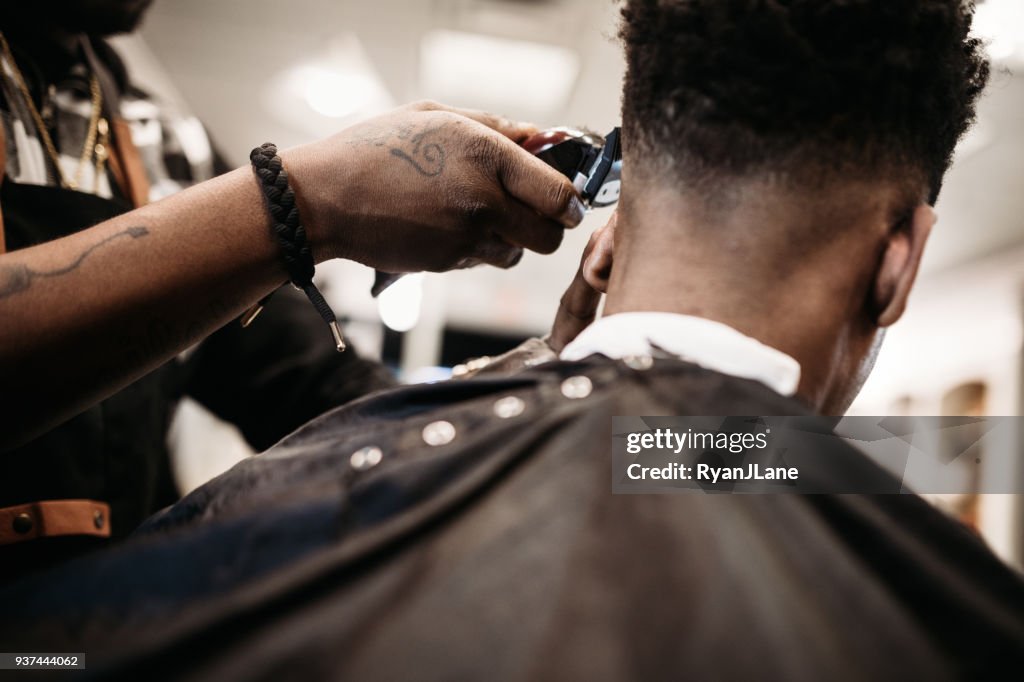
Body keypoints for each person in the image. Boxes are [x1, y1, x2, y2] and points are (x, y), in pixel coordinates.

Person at [4, 0, 1024, 679]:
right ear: (898, 263)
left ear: (607, 235)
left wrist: (562, 370)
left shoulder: (149, 127)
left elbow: (648, 442)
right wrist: (301, 202)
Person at [0, 2, 585, 578]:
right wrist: (312, 200)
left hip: (92, 621)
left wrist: (531, 387)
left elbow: (314, 384)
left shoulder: (164, 140)